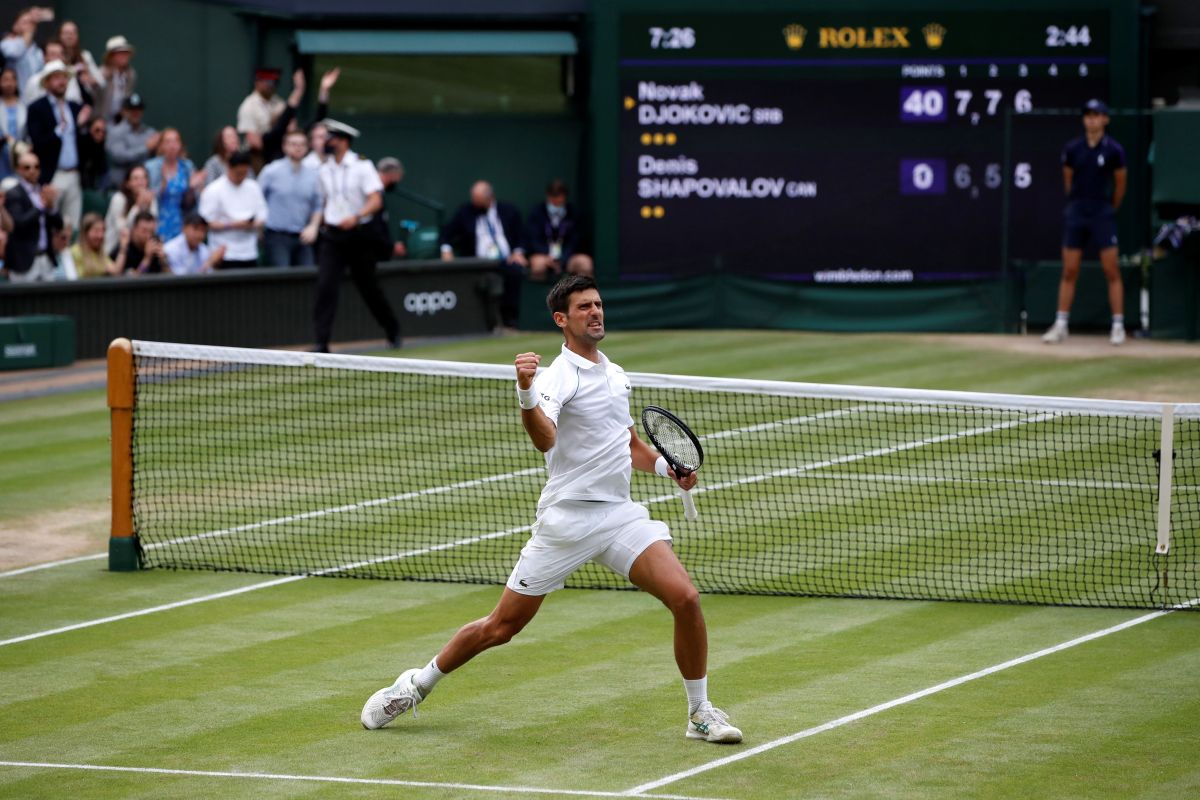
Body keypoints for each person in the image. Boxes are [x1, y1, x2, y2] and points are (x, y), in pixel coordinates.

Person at [359, 275, 744, 745]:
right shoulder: (554, 378)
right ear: (562, 319)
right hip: (566, 522)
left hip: (619, 516)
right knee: (500, 627)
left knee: (685, 598)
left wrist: (668, 469)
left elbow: (629, 446)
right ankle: (416, 685)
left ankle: (699, 713)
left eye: (598, 304)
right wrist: (524, 392)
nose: (596, 312)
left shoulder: (615, 373)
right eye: (585, 308)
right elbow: (545, 437)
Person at [1043, 99, 1128, 346]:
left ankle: (1118, 326)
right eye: (1088, 115)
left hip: (1102, 211)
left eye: (1096, 115)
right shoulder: (1073, 149)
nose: (1091, 119)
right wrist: (1077, 204)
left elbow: (1120, 184)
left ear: (1105, 119)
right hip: (1077, 211)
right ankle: (1060, 324)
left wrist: (1109, 207)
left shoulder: (1114, 150)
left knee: (1111, 269)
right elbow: (1068, 180)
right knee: (1069, 270)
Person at [312, 119, 400, 352]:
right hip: (333, 237)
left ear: (342, 141)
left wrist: (357, 216)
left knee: (369, 287)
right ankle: (322, 343)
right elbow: (324, 202)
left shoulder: (362, 166)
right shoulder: (324, 169)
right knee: (325, 286)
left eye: (329, 138)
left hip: (359, 235)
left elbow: (376, 200)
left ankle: (393, 330)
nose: (325, 142)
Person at [441, 180, 527, 328]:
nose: (475, 204)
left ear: (489, 198)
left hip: (504, 260)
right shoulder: (465, 212)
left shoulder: (508, 210)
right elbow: (446, 234)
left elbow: (521, 236)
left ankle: (510, 321)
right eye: (474, 199)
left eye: (479, 201)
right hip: (477, 263)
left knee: (515, 270)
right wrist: (446, 250)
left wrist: (518, 252)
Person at [25, 58, 87, 232]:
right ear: (46, 83)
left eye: (64, 77)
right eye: (56, 77)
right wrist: (59, 131)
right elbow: (38, 142)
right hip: (53, 175)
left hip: (74, 175)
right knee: (51, 225)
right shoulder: (37, 108)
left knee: (72, 226)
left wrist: (82, 127)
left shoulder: (75, 108)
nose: (61, 82)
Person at [258, 129, 321, 266]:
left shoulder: (314, 175)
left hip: (302, 236)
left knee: (307, 277)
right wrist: (259, 229)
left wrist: (313, 226)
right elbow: (257, 200)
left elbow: (318, 205)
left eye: (302, 144)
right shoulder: (271, 171)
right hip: (276, 236)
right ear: (284, 146)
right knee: (282, 278)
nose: (298, 148)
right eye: (293, 144)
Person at [198, 150, 266, 269]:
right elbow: (206, 222)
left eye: (244, 173)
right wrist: (233, 225)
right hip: (223, 253)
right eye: (238, 173)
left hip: (249, 252)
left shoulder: (254, 187)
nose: (241, 177)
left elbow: (262, 215)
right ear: (229, 168)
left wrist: (252, 224)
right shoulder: (214, 190)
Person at [4, 150, 60, 282]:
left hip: (45, 260)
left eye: (36, 166)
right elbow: (18, 224)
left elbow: (59, 224)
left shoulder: (44, 192)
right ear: (18, 170)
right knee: (23, 302)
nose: (32, 170)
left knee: (49, 302)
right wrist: (42, 206)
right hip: (24, 262)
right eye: (27, 167)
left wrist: (51, 207)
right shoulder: (13, 194)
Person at [144, 127, 205, 242]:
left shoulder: (187, 166)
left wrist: (192, 187)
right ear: (161, 145)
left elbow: (192, 202)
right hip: (157, 219)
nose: (172, 145)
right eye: (168, 141)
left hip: (182, 221)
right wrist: (159, 189)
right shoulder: (151, 167)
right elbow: (146, 196)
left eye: (176, 141)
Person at [526, 179, 593, 281]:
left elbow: (575, 241)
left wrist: (563, 258)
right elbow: (534, 239)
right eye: (553, 200)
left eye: (559, 201)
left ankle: (583, 296)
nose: (556, 204)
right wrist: (548, 257)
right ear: (548, 196)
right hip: (544, 255)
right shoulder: (537, 213)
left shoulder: (574, 213)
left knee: (585, 263)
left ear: (565, 198)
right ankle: (541, 296)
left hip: (568, 255)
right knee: (538, 264)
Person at [105, 92, 157, 189]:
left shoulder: (149, 132)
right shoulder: (115, 132)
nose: (135, 113)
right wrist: (146, 148)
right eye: (131, 109)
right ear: (124, 111)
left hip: (144, 185)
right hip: (120, 186)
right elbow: (119, 157)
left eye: (138, 109)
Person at [104, 164, 157, 255]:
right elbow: (122, 230)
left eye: (143, 178)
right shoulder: (119, 198)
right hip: (114, 248)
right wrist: (137, 206)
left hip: (139, 248)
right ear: (128, 183)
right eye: (135, 179)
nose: (140, 182)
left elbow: (152, 227)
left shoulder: (150, 198)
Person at [1, 7, 49, 99]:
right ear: (16, 26)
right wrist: (28, 34)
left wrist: (40, 13)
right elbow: (14, 53)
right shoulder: (6, 44)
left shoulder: (38, 52)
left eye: (31, 23)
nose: (29, 26)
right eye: (25, 22)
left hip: (35, 98)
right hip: (15, 99)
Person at [236, 67, 285, 159]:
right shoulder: (249, 105)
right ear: (258, 82)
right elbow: (253, 141)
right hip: (257, 156)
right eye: (268, 82)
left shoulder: (279, 102)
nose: (271, 86)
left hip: (279, 153)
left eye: (274, 82)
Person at [110, 209, 167, 275]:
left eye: (151, 232)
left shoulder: (155, 244)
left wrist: (163, 261)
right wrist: (147, 259)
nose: (148, 236)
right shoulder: (124, 248)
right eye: (144, 231)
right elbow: (131, 282)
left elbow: (170, 278)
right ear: (134, 229)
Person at [96, 36, 136, 124]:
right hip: (100, 122)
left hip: (120, 121)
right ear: (111, 56)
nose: (124, 56)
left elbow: (127, 98)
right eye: (120, 53)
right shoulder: (102, 73)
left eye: (126, 53)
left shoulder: (130, 74)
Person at [69, 211, 115, 277]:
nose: (100, 235)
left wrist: (123, 247)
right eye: (96, 231)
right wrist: (102, 269)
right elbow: (76, 275)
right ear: (85, 232)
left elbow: (114, 270)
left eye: (102, 231)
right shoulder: (75, 251)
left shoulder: (101, 254)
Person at [0, 67, 26, 182]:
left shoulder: (24, 105)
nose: (9, 84)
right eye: (5, 80)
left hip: (21, 155)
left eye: (12, 80)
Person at [79, 113, 106, 190]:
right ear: (90, 129)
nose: (100, 134)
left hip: (93, 187)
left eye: (103, 131)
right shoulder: (82, 144)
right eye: (97, 130)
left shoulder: (102, 147)